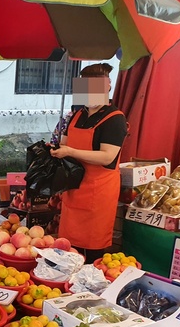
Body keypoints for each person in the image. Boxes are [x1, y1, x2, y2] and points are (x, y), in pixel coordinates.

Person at [50, 63, 127, 263]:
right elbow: (64, 143)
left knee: (93, 250)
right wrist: (54, 150)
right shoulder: (77, 115)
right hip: (74, 190)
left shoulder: (114, 119)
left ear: (107, 86)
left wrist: (71, 151)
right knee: (68, 247)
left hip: (98, 191)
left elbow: (107, 156)